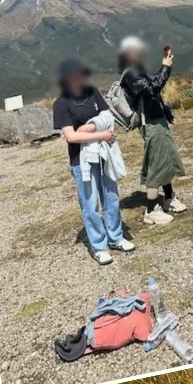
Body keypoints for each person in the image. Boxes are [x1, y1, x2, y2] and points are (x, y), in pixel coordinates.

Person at [52, 58, 134, 265]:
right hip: (81, 161)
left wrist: (89, 128)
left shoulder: (93, 92)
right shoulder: (61, 104)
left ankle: (115, 237)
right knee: (90, 204)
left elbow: (107, 116)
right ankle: (99, 245)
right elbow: (71, 137)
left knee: (112, 196)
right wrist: (101, 134)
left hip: (103, 154)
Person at [117, 36, 187, 225]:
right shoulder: (131, 74)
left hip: (158, 120)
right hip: (150, 125)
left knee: (166, 158)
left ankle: (169, 197)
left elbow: (153, 93)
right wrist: (166, 66)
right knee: (157, 162)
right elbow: (152, 89)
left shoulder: (138, 71)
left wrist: (166, 112)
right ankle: (151, 209)